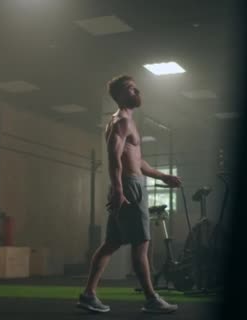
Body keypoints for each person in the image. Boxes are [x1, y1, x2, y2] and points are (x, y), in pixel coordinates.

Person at [77, 75, 181, 314]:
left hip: (129, 184)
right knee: (141, 243)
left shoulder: (128, 122)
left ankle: (88, 294)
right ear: (121, 95)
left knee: (111, 243)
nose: (137, 91)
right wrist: (119, 189)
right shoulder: (121, 121)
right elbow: (114, 157)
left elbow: (136, 159)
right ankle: (152, 298)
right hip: (129, 186)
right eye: (131, 89)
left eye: (136, 87)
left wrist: (162, 176)